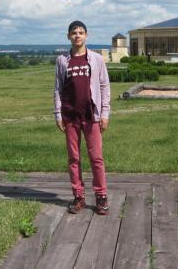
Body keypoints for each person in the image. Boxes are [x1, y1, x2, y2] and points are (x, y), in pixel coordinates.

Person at [54, 20, 111, 215]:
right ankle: (78, 196)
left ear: (87, 35)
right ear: (68, 36)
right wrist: (58, 113)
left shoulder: (96, 59)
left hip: (91, 115)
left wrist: (105, 113)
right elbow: (58, 89)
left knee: (96, 157)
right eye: (73, 32)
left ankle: (101, 196)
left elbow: (104, 86)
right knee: (74, 158)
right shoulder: (62, 60)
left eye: (81, 32)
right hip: (70, 116)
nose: (77, 35)